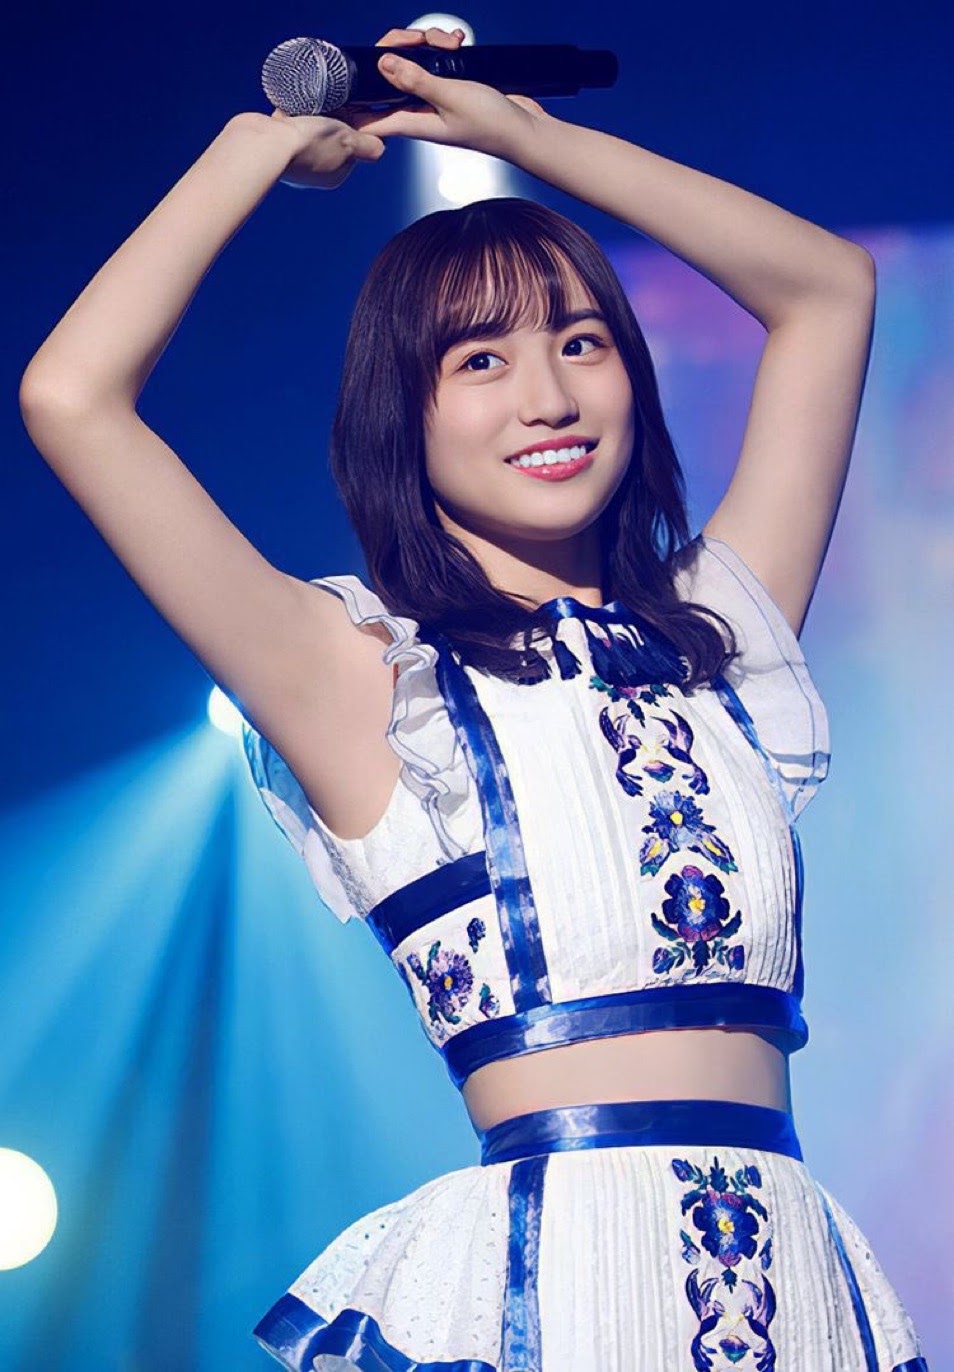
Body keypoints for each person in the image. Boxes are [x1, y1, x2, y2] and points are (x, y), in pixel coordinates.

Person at [18, 23, 929, 1372]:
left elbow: (828, 291)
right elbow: (72, 395)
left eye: (581, 342)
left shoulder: (716, 639)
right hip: (551, 1292)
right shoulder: (361, 678)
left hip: (792, 1278)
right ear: (406, 411)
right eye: (480, 361)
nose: (549, 396)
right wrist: (263, 145)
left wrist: (524, 138)